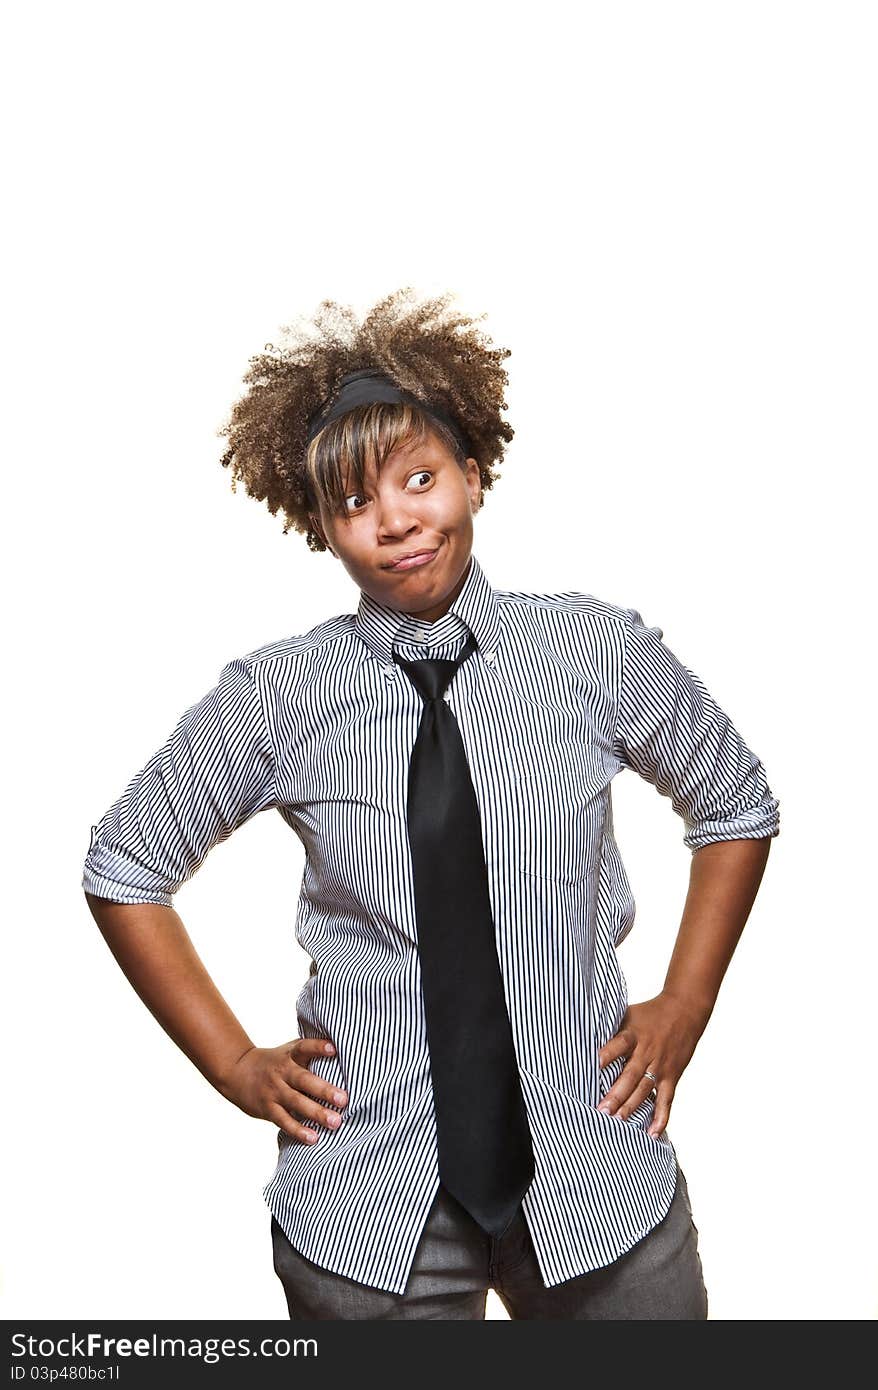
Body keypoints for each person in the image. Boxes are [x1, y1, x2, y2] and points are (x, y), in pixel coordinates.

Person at [82, 287, 780, 1320]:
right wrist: (233, 1063)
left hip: (597, 1174)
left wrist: (686, 1002)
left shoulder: (594, 652)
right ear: (319, 526)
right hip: (368, 1202)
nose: (397, 520)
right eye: (356, 502)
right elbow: (123, 866)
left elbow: (735, 802)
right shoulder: (279, 696)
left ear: (474, 474)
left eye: (419, 479)